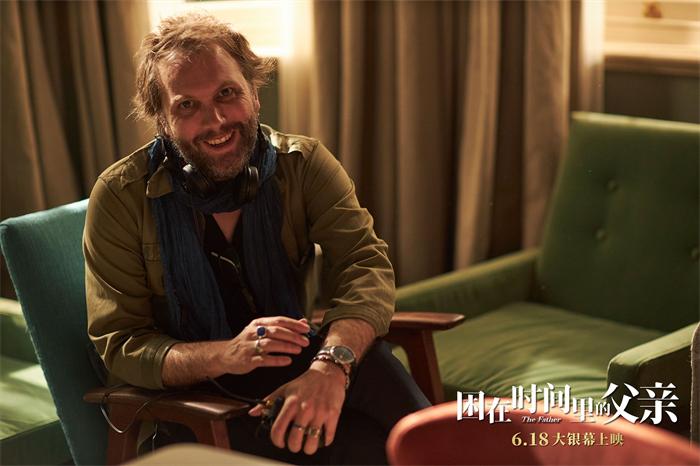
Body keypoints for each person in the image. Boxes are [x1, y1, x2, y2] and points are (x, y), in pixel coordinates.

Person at [84, 12, 429, 465]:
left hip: (295, 369)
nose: (216, 120)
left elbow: (364, 265)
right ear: (162, 119)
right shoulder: (119, 197)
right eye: (187, 106)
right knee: (378, 448)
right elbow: (122, 345)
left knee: (379, 375)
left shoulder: (303, 164)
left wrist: (331, 366)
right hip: (197, 405)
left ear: (254, 91)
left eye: (227, 93)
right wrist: (227, 354)